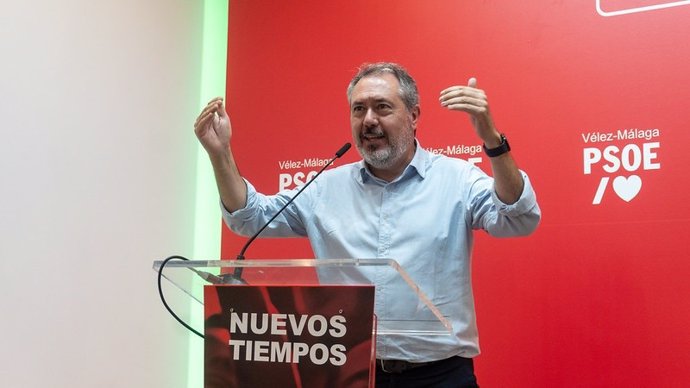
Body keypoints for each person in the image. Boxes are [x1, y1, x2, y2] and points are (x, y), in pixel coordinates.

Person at [194, 62, 541, 388]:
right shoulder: (324, 188)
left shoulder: (456, 178)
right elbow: (249, 217)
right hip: (348, 373)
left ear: (414, 116)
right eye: (359, 109)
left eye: (382, 107)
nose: (369, 120)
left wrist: (493, 140)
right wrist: (219, 153)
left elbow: (518, 217)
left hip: (439, 376)